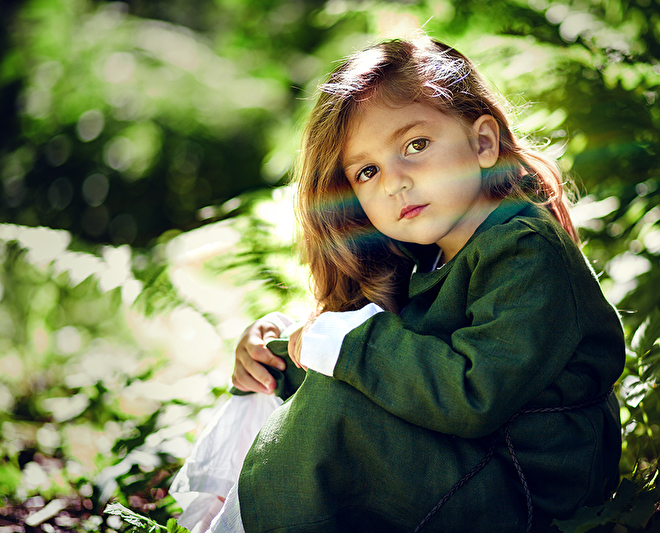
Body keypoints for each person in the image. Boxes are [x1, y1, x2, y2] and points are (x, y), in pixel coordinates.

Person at [171, 36, 625, 533]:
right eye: (368, 171)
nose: (394, 182)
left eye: (416, 145)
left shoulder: (524, 248)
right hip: (474, 462)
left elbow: (474, 394)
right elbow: (402, 374)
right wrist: (278, 359)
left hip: (532, 489)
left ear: (483, 143)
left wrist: (347, 345)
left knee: (337, 406)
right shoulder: (423, 257)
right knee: (330, 391)